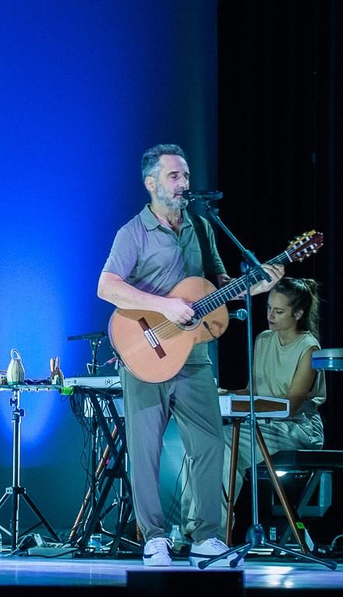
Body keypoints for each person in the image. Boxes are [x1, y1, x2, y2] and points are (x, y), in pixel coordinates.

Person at [97, 143, 281, 566]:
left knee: (210, 445)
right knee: (145, 450)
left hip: (194, 354)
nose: (184, 183)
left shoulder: (201, 226)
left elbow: (219, 285)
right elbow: (106, 286)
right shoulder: (133, 232)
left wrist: (257, 285)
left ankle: (206, 537)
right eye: (174, 176)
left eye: (186, 176)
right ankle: (154, 538)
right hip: (145, 350)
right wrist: (165, 306)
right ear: (151, 184)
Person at [212, 276, 327, 517]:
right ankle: (192, 525)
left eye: (279, 311)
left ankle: (216, 526)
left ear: (297, 314)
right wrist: (226, 394)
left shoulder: (308, 348)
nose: (270, 316)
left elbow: (290, 406)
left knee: (225, 442)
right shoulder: (263, 339)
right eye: (268, 309)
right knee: (207, 442)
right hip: (262, 423)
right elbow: (253, 392)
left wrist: (244, 404)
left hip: (297, 427)